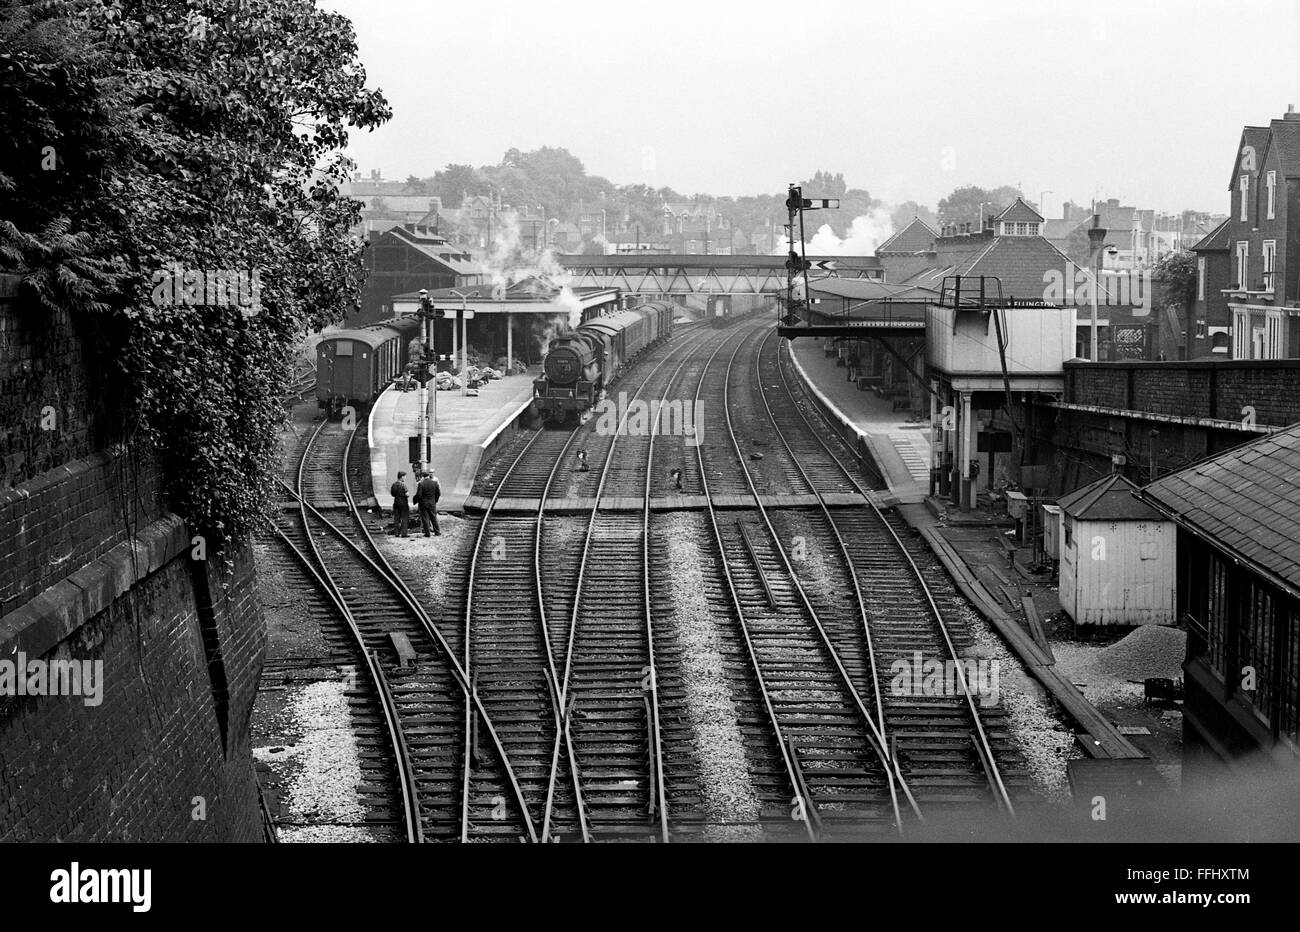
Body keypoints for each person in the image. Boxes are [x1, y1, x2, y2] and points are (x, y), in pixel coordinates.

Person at [413, 471, 441, 537]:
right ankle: (437, 532)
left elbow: (419, 495)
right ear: (429, 476)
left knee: (425, 518)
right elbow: (438, 493)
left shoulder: (421, 484)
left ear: (423, 476)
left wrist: (416, 500)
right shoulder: (435, 483)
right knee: (433, 517)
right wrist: (435, 500)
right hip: (432, 503)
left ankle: (427, 533)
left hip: (423, 504)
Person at [390, 471, 410, 538]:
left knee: (396, 518)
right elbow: (407, 494)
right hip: (403, 503)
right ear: (402, 477)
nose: (405, 478)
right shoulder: (403, 485)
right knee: (404, 518)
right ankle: (404, 533)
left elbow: (392, 494)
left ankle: (396, 533)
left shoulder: (394, 484)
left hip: (396, 502)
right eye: (405, 476)